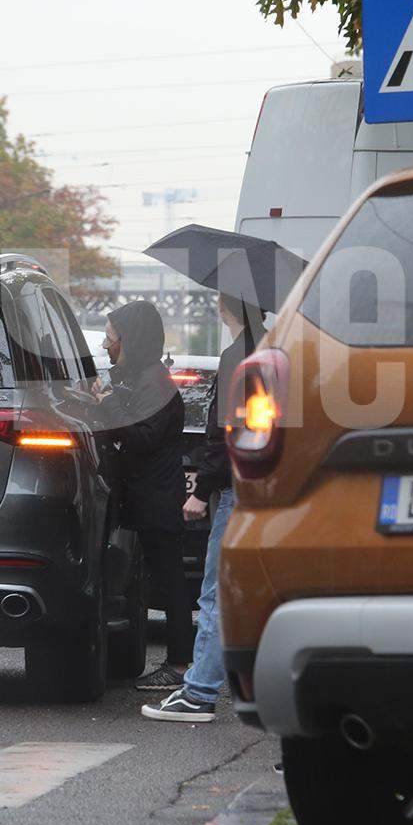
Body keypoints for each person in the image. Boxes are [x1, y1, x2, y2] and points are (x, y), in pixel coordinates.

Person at [142, 294, 258, 722]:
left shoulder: (236, 356)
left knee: (216, 593)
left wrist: (200, 490)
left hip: (235, 488)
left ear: (225, 307)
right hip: (268, 488)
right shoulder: (275, 350)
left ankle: (199, 692)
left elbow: (226, 434)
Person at [96, 301, 192, 692]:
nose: (105, 344)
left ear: (130, 340)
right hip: (146, 496)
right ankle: (180, 662)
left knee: (170, 582)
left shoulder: (156, 382)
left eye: (111, 337)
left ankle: (181, 665)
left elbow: (140, 437)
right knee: (159, 580)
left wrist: (108, 402)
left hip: (158, 497)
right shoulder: (142, 378)